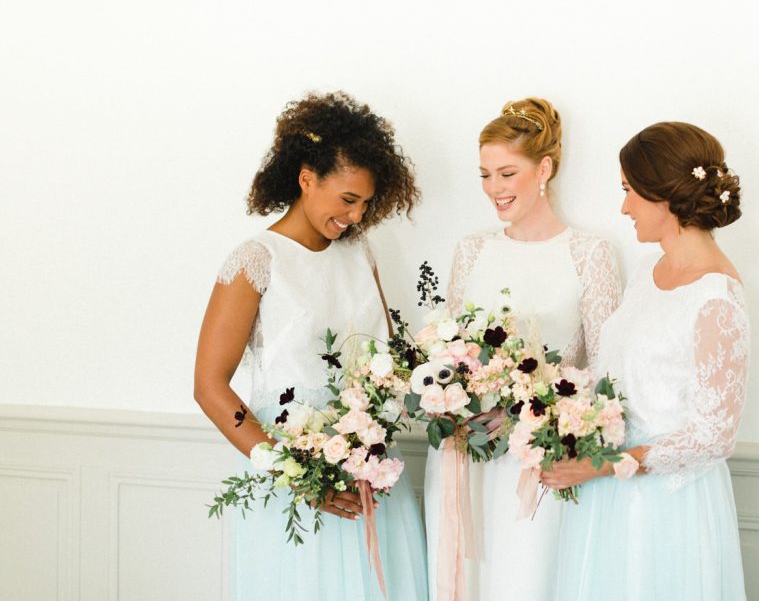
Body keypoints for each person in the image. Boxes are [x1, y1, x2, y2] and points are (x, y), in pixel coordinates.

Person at [194, 91, 428, 600]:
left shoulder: (360, 251)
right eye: (348, 199)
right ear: (306, 179)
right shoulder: (255, 261)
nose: (357, 215)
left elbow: (387, 357)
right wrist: (296, 475)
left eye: (367, 202)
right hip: (295, 478)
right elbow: (210, 387)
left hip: (372, 471)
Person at [423, 97, 622, 600]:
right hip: (462, 455)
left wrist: (523, 412)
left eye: (507, 173)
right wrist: (453, 399)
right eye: (485, 175)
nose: (494, 189)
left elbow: (604, 371)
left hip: (537, 460)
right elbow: (448, 351)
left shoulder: (589, 254)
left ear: (545, 168)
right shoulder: (472, 250)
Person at [542, 121, 749, 599]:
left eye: (629, 191)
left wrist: (601, 465)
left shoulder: (716, 297)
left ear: (664, 197)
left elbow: (714, 437)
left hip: (669, 505)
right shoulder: (645, 271)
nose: (624, 207)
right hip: (612, 493)